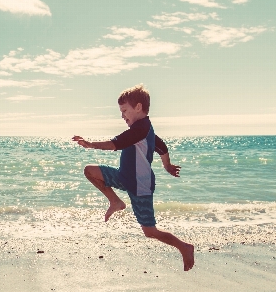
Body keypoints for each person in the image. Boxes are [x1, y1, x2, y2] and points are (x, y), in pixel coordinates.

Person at [73, 84, 195, 271]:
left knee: (150, 231)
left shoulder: (141, 129)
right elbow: (161, 147)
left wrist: (90, 145)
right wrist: (167, 165)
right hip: (124, 176)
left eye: (124, 111)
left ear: (138, 107)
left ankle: (184, 247)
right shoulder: (145, 129)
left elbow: (117, 144)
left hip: (140, 185)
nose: (123, 116)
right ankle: (115, 202)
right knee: (89, 171)